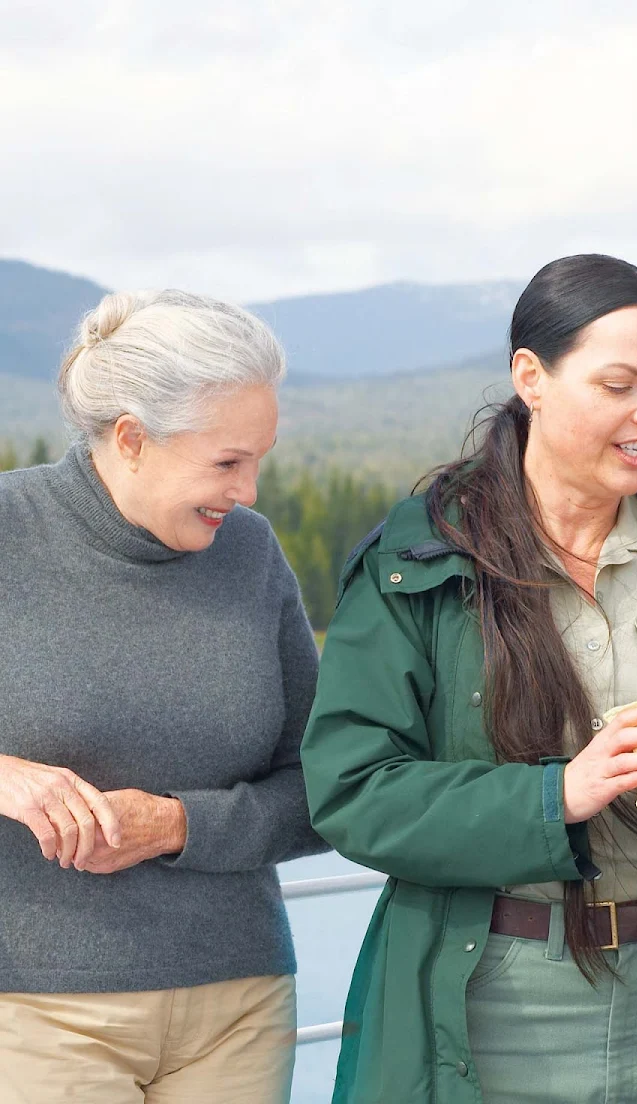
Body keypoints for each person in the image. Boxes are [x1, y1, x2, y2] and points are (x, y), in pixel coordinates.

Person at [300, 254, 637, 1104]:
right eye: (620, 384)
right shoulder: (416, 561)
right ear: (532, 377)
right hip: (487, 1015)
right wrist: (558, 795)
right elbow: (354, 790)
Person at [0, 290, 327, 1103]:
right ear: (133, 439)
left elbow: (324, 785)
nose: (248, 491)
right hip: (35, 1010)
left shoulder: (249, 553)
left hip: (242, 1007)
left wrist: (180, 825)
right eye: (226, 462)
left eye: (260, 459)